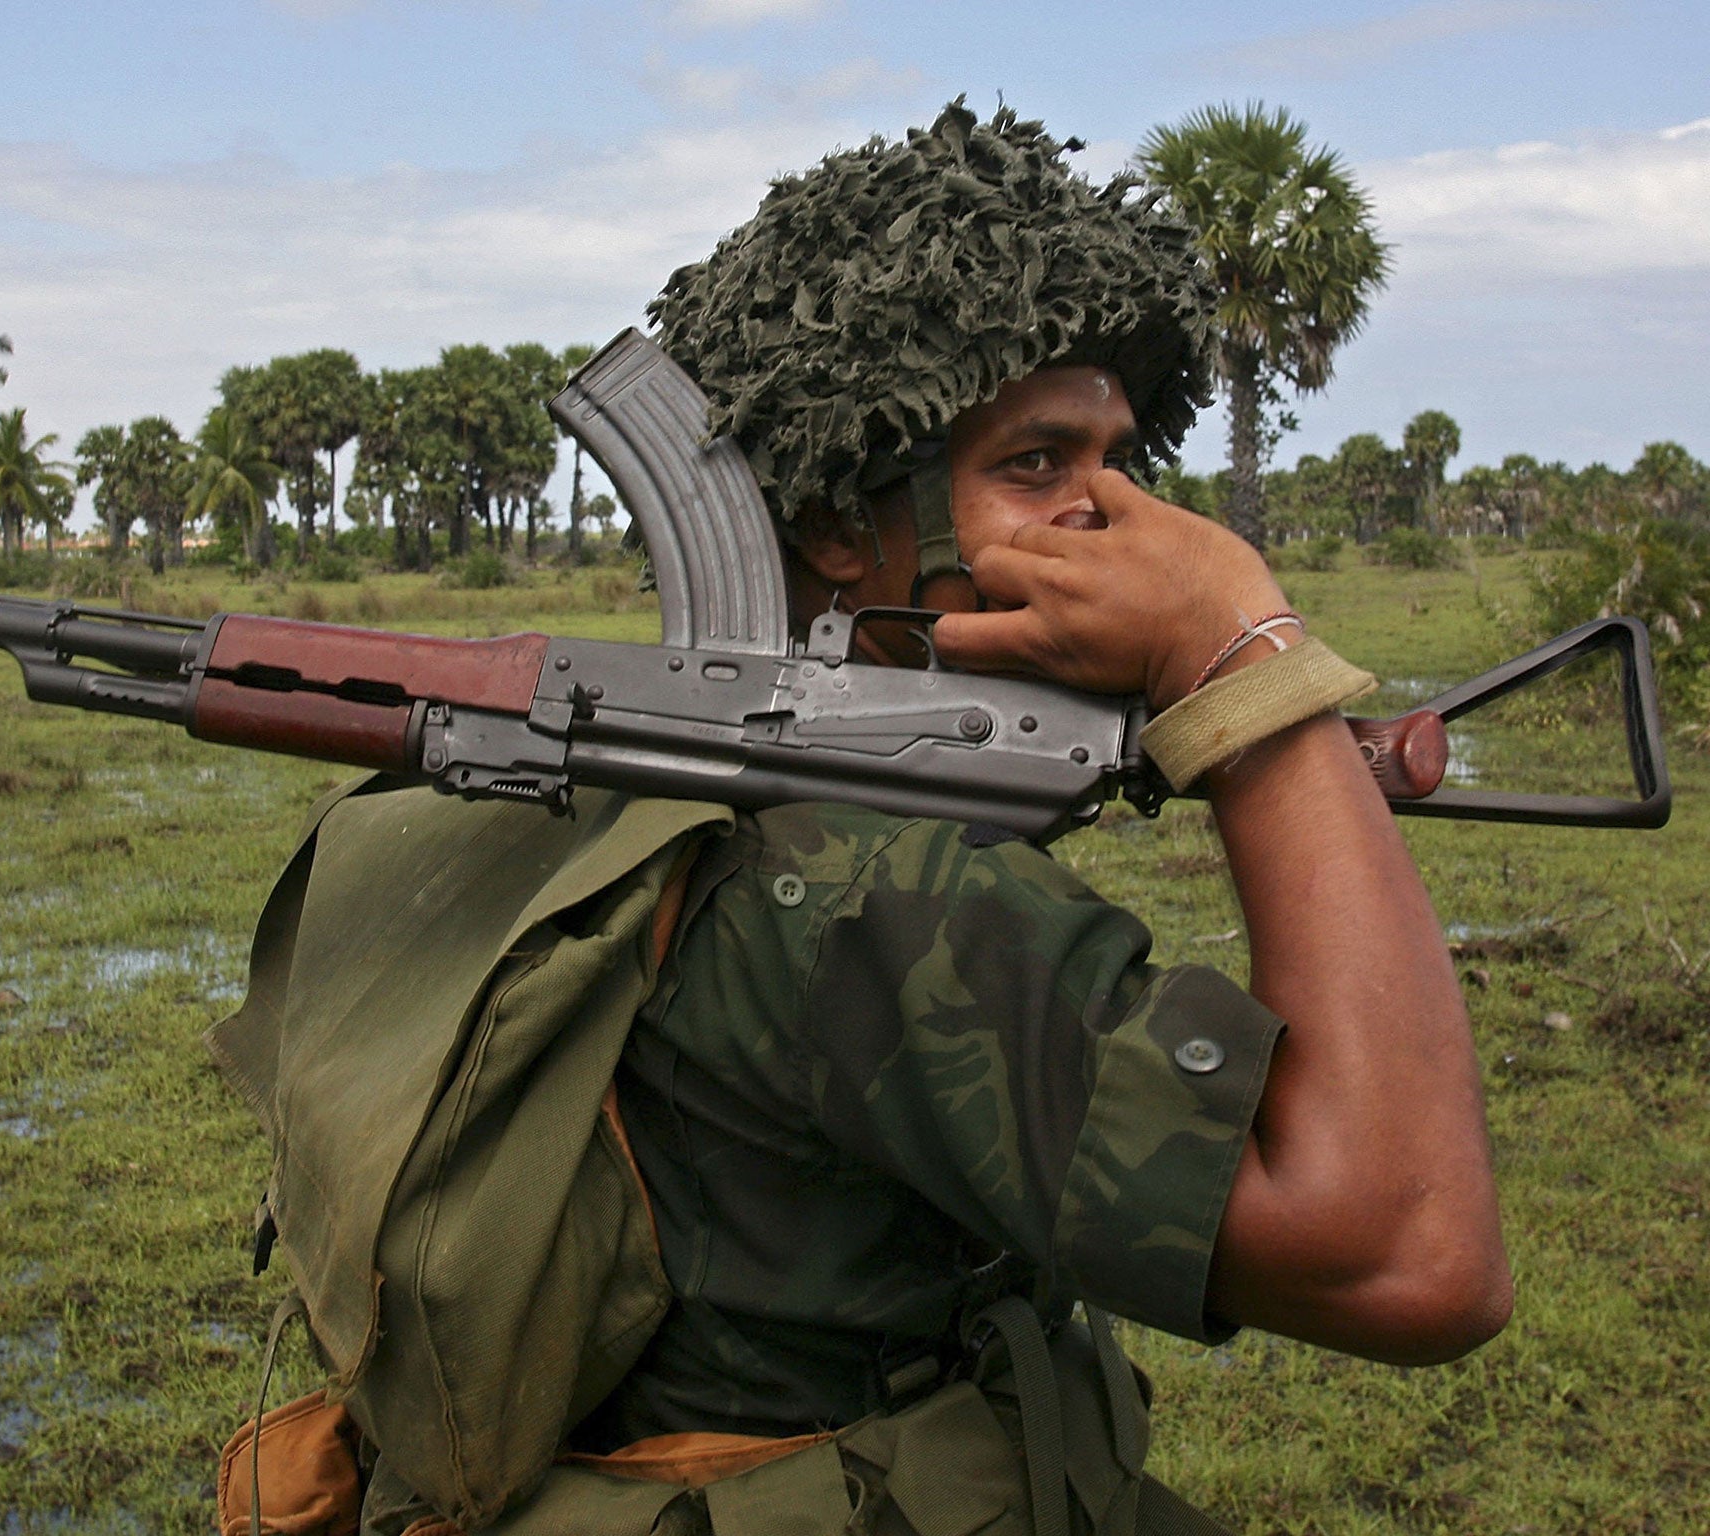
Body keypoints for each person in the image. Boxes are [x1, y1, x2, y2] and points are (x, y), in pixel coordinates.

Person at [223, 102, 1511, 1535]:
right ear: (843, 525)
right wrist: (1245, 663)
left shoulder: (655, 773)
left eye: (1120, 463)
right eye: (1038, 466)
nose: (1128, 526)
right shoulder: (858, 889)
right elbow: (1413, 1251)